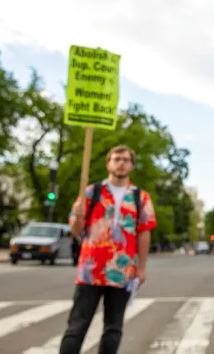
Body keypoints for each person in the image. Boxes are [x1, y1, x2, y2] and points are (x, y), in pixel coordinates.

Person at [59, 145, 157, 354]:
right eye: (116, 159)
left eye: (126, 159)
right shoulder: (91, 192)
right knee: (77, 326)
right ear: (108, 163)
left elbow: (144, 232)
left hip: (122, 271)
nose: (121, 163)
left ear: (132, 165)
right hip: (90, 270)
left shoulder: (140, 197)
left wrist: (142, 267)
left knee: (113, 328)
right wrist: (77, 216)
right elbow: (75, 231)